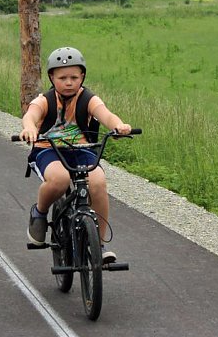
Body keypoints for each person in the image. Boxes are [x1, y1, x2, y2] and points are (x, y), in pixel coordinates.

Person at [18, 46, 132, 263]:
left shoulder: (88, 98)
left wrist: (119, 126)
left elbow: (106, 115)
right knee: (59, 179)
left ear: (82, 77)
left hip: (80, 150)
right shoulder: (45, 100)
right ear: (52, 77)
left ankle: (97, 244)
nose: (68, 82)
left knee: (98, 182)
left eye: (74, 77)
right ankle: (39, 213)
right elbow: (30, 116)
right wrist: (30, 129)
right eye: (62, 78)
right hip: (47, 150)